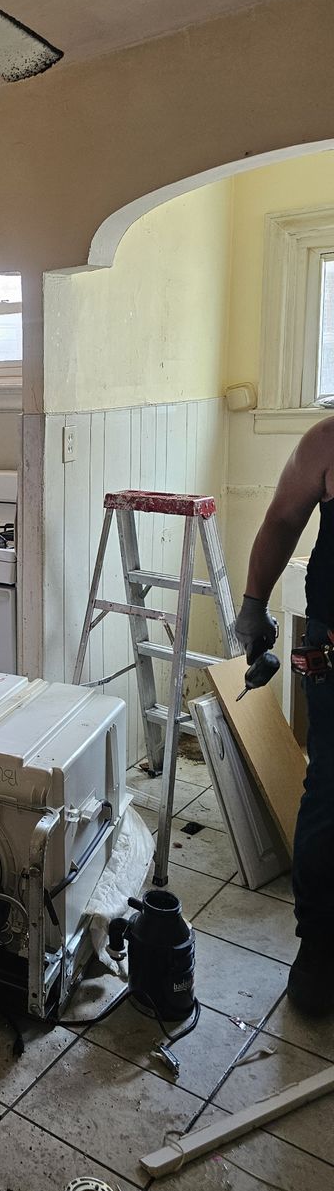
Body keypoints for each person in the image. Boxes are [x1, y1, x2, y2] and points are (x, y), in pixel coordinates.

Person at [236, 414, 334, 1017]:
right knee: (329, 792)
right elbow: (280, 521)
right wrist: (253, 606)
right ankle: (321, 947)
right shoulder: (327, 441)